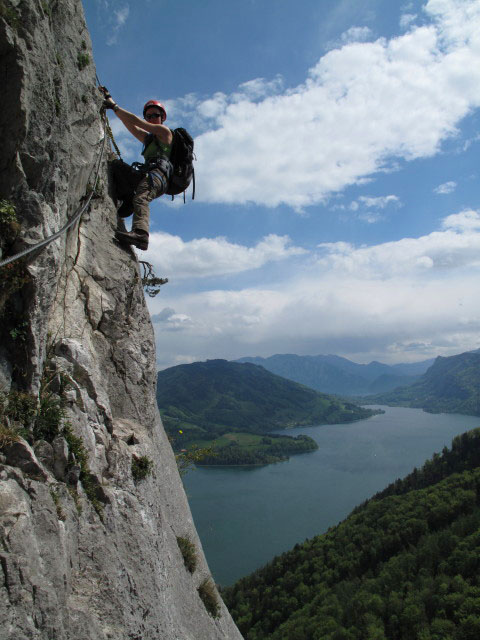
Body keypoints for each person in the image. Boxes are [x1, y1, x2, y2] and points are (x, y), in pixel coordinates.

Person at [101, 89, 173, 250]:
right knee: (117, 166)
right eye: (149, 116)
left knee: (142, 197)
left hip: (158, 177)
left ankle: (141, 234)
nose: (152, 118)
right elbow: (130, 125)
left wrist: (114, 106)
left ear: (163, 118)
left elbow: (138, 123)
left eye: (155, 115)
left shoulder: (164, 132)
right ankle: (127, 201)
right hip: (146, 175)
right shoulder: (148, 139)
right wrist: (110, 102)